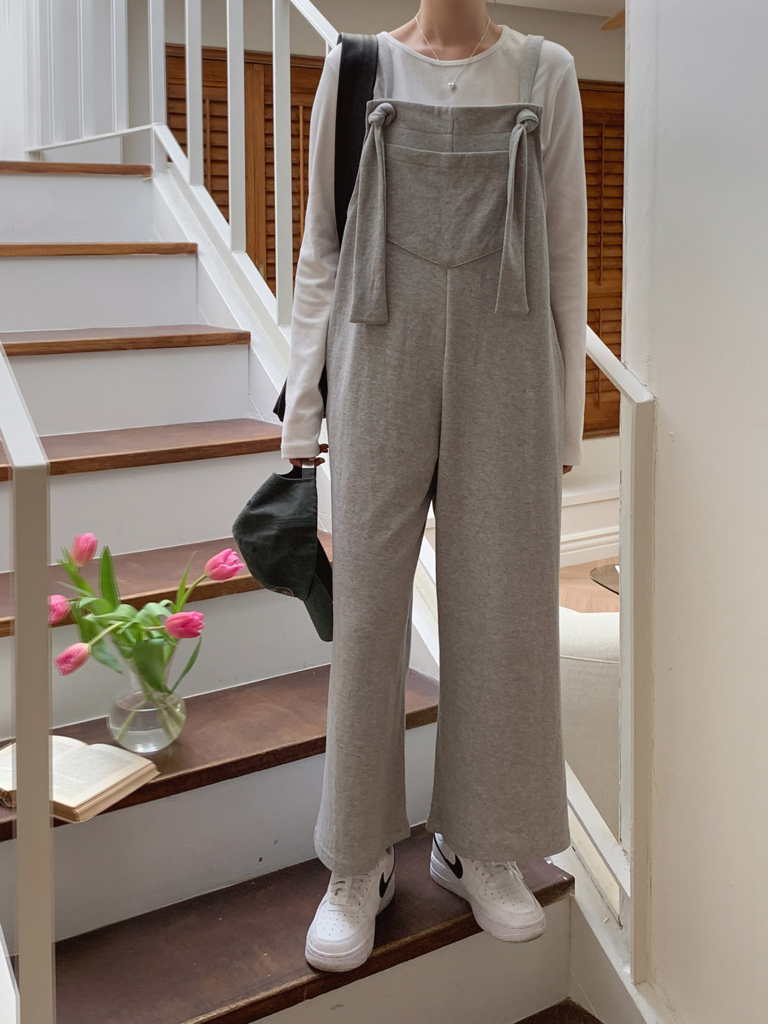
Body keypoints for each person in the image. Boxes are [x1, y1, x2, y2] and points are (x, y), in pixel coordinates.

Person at [280, 1, 588, 974]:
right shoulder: (356, 66)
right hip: (378, 348)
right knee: (369, 610)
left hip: (511, 357)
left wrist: (564, 420)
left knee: (503, 609)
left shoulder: (546, 71)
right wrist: (302, 411)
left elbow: (565, 252)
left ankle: (478, 842)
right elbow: (323, 244)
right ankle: (357, 859)